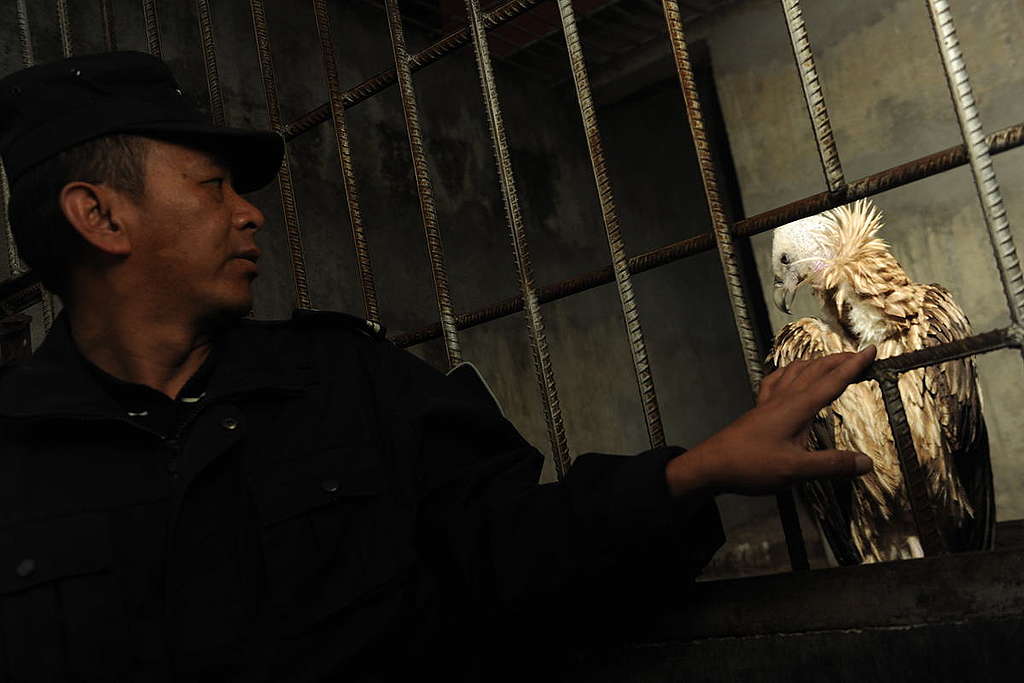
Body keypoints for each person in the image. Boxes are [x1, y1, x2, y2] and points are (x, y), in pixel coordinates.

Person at [0, 52, 874, 681]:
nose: (249, 214)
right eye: (211, 186)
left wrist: (700, 471)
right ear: (100, 218)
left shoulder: (347, 383)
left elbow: (513, 548)